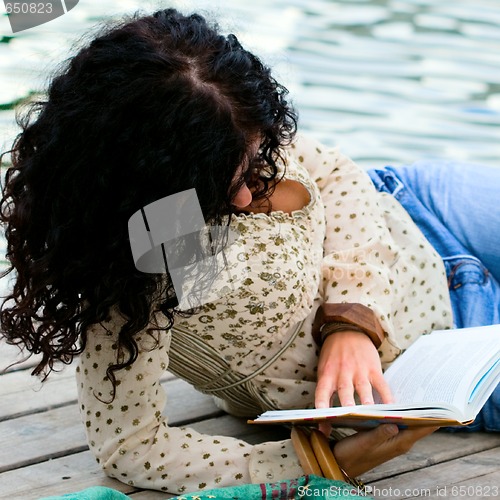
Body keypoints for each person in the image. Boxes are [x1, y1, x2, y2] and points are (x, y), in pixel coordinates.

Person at [0, 7, 498, 496]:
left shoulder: (226, 123)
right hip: (441, 358)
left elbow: (337, 172)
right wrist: (313, 460)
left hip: (418, 207)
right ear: (150, 185)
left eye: (255, 160)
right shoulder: (138, 274)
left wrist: (352, 318)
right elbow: (133, 446)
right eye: (223, 185)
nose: (246, 195)